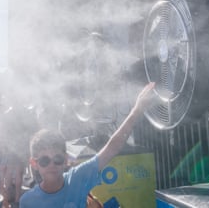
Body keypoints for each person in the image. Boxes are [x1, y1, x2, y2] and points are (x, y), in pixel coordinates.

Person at [19, 82, 155, 208]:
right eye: (44, 161)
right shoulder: (28, 201)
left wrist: (136, 110)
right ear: (34, 163)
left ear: (66, 160)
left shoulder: (76, 178)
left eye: (58, 159)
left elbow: (112, 147)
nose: (52, 165)